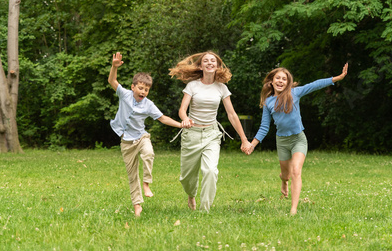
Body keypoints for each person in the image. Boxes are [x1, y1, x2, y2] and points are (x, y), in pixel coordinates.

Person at [247, 63, 348, 215]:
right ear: (271, 82)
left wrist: (337, 78)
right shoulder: (268, 103)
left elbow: (315, 85)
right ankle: (283, 182)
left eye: (284, 79)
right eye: (278, 78)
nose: (281, 81)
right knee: (286, 175)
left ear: (288, 83)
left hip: (298, 139)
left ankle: (293, 209)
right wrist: (252, 144)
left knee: (296, 171)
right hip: (282, 142)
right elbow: (264, 127)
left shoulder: (295, 93)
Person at [169, 51, 252, 212]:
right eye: (205, 61)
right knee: (187, 177)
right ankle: (191, 194)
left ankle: (204, 209)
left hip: (212, 134)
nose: (209, 63)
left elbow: (232, 115)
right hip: (191, 134)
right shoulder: (192, 86)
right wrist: (185, 118)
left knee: (210, 170)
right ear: (200, 66)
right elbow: (182, 110)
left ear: (217, 66)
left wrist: (244, 139)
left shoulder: (222, 88)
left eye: (213, 61)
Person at [108, 52, 187, 217]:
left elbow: (163, 118)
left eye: (146, 89)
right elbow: (112, 81)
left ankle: (146, 183)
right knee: (131, 175)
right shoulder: (124, 95)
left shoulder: (149, 105)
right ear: (133, 87)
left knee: (149, 153)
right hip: (126, 141)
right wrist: (114, 67)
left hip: (141, 137)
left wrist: (180, 124)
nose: (143, 91)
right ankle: (137, 205)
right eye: (141, 88)